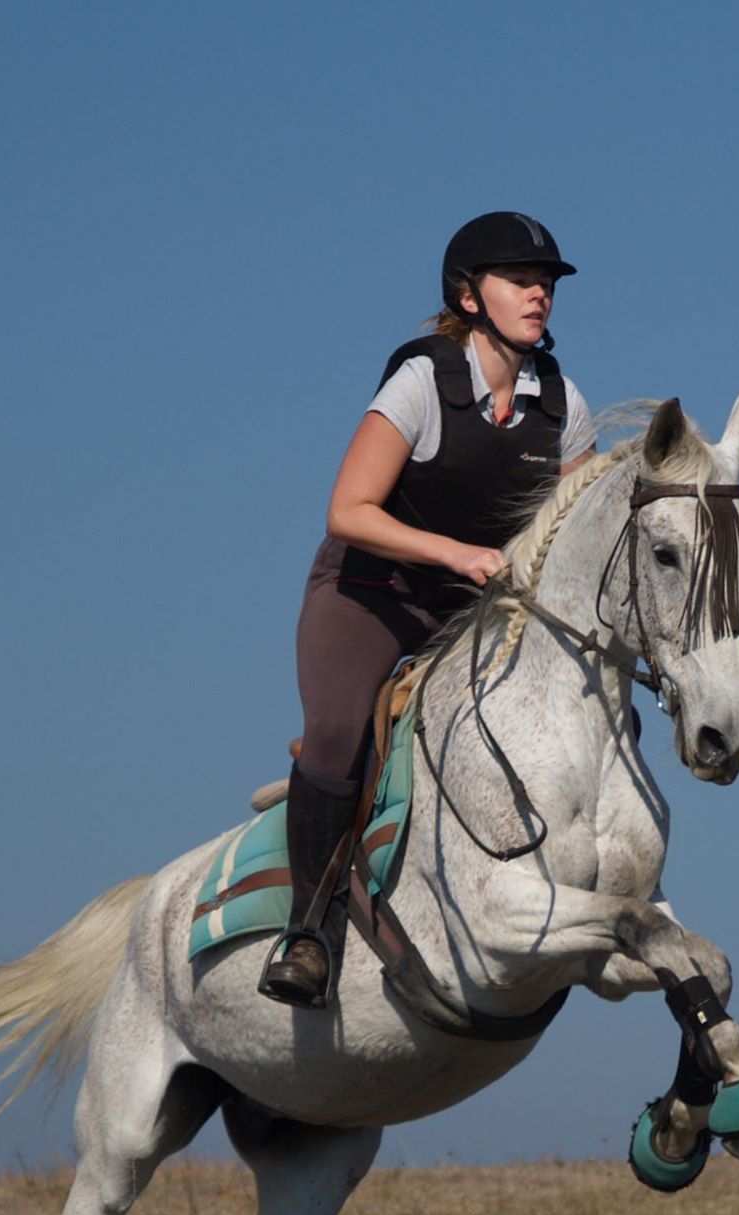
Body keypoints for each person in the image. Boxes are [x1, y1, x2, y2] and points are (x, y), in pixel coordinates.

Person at [259, 212, 598, 1008]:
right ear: (468, 296)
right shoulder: (422, 382)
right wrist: (458, 554)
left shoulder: (562, 403)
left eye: (546, 281)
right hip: (371, 593)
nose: (539, 292)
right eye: (520, 279)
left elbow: (577, 532)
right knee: (341, 732)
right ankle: (307, 935)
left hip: (472, 609)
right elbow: (348, 509)